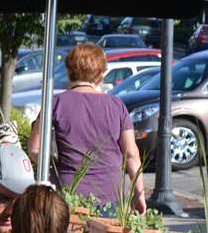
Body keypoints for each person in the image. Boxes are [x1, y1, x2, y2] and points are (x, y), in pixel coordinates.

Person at [26, 42, 146, 213]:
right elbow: (132, 156)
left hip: (69, 193)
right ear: (101, 74)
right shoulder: (117, 105)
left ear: (69, 71)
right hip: (110, 194)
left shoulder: (54, 103)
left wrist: (54, 168)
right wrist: (139, 194)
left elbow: (34, 149)